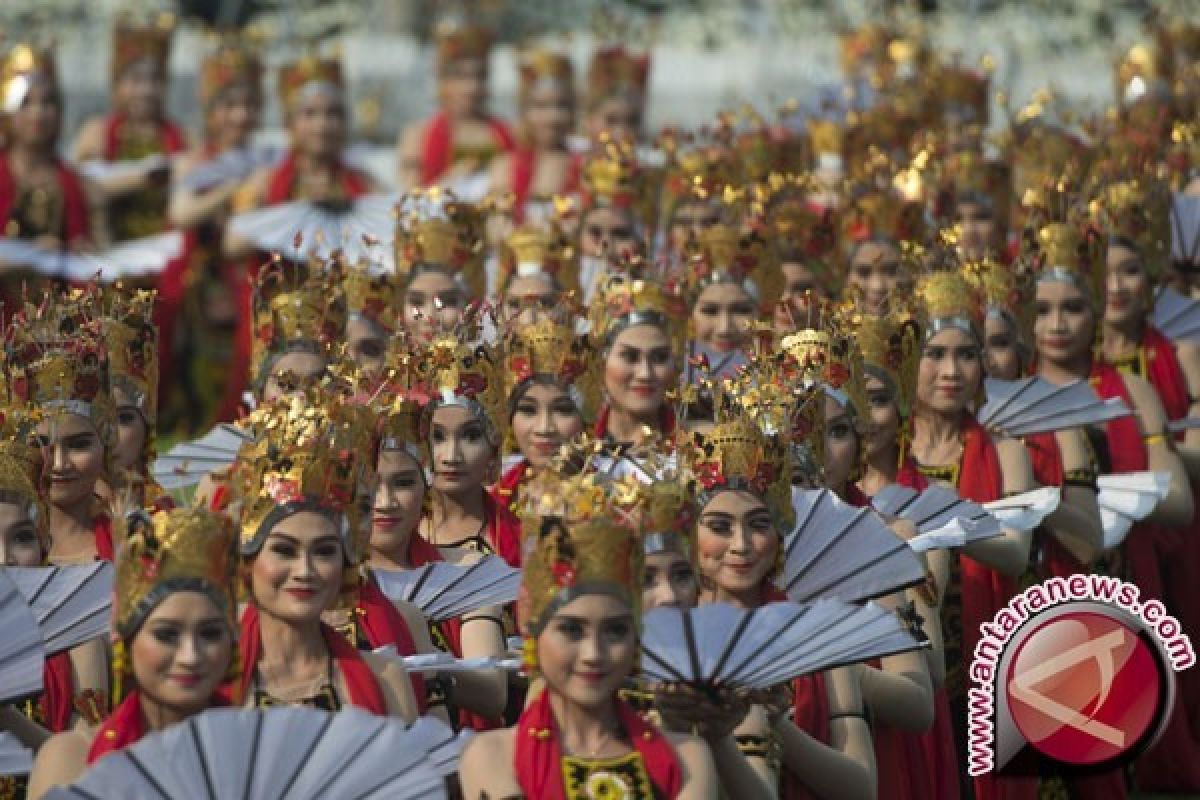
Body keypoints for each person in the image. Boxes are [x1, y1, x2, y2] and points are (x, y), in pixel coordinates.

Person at [459, 468, 719, 798]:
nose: (593, 653)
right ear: (529, 622)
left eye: (614, 631)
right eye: (571, 630)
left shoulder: (688, 758)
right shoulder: (491, 757)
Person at [227, 392, 418, 719]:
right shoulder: (205, 679)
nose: (305, 570)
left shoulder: (385, 680)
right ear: (249, 559)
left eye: (325, 551)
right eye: (284, 550)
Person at [26, 507, 238, 798]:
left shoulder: (259, 755)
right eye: (166, 635)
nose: (190, 656)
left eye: (210, 634)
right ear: (126, 637)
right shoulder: (72, 761)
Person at [220, 53, 371, 420]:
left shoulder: (362, 184)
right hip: (279, 317)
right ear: (290, 123)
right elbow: (232, 243)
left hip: (338, 317)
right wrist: (290, 219)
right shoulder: (266, 182)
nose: (322, 125)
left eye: (332, 114)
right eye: (310, 114)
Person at [163, 37, 263, 430]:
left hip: (251, 280)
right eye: (229, 106)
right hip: (203, 282)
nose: (239, 116)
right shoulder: (197, 162)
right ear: (211, 111)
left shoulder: (268, 161)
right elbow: (181, 211)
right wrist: (232, 189)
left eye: (248, 106)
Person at [6, 293, 118, 563]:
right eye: (41, 445)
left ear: (104, 442)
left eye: (79, 445)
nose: (59, 464)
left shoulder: (135, 548)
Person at [71, 15, 185, 244]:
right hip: (113, 253)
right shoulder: (97, 132)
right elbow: (84, 189)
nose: (146, 91)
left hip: (167, 256)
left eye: (155, 80)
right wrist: (153, 175)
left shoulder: (181, 136)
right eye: (136, 80)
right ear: (117, 84)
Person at [0, 42, 94, 299]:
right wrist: (32, 255)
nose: (38, 113)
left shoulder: (71, 182)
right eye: (26, 103)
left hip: (54, 325)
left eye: (47, 102)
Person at [397, 23, 514, 191]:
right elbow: (409, 201)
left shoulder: (507, 134)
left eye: (480, 76)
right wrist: (449, 183)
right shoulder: (418, 136)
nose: (472, 87)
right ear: (442, 80)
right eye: (460, 76)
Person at [588, 265, 686, 445]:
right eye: (630, 357)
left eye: (659, 358)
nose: (645, 374)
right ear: (601, 363)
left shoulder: (699, 457)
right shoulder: (574, 455)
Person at [488, 50, 579, 224]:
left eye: (561, 106)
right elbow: (496, 227)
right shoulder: (504, 166)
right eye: (540, 106)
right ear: (524, 111)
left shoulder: (584, 166)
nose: (552, 117)